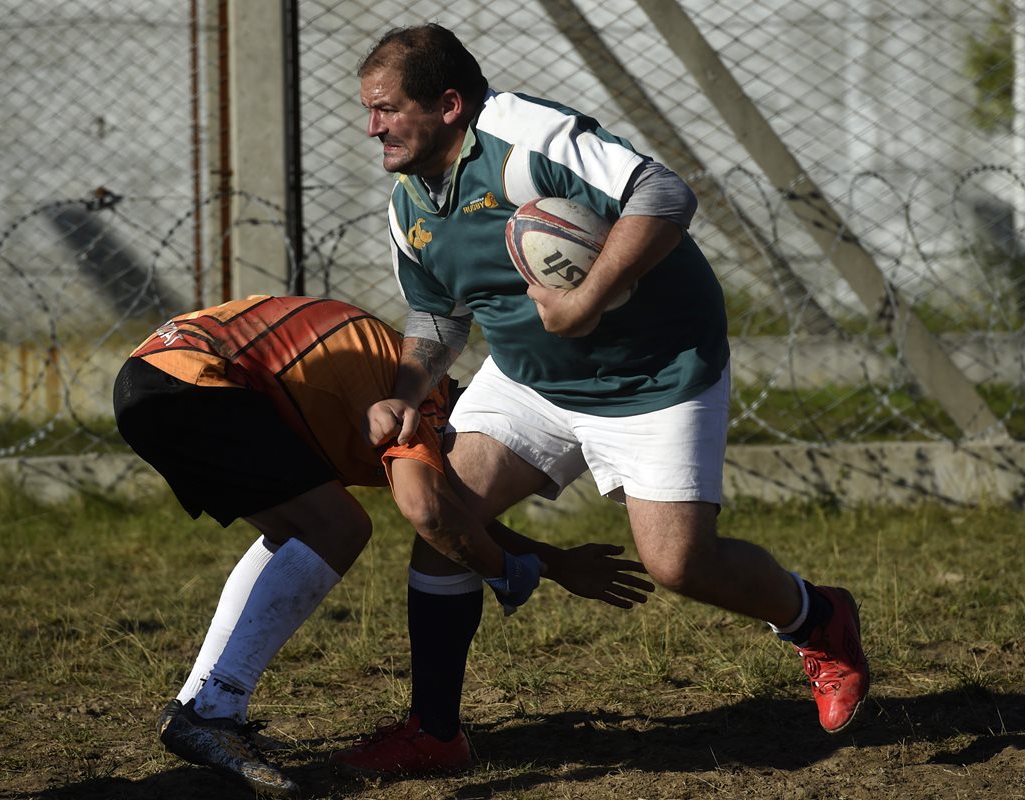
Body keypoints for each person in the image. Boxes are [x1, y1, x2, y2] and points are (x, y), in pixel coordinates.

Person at [331, 23, 869, 776]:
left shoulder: (522, 137)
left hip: (655, 375)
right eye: (369, 110)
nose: (372, 127)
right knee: (444, 517)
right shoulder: (408, 204)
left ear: (449, 104)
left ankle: (818, 618)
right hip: (530, 380)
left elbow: (664, 191)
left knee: (679, 564)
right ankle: (435, 731)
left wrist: (584, 302)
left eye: (386, 109)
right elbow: (438, 314)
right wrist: (406, 390)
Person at [112, 294, 654, 797]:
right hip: (195, 379)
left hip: (157, 375)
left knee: (296, 530)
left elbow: (450, 514)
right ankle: (214, 711)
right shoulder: (428, 402)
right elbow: (435, 513)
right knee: (340, 528)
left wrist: (554, 562)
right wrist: (510, 574)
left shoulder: (408, 381)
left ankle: (198, 707)